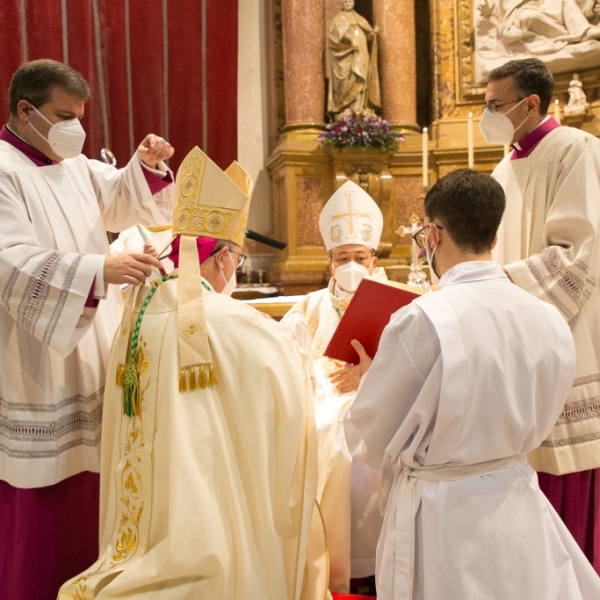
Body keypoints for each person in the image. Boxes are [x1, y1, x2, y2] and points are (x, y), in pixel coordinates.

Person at [58, 146, 319, 600]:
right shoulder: (224, 318)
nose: (232, 271)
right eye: (235, 261)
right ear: (220, 258)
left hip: (144, 515)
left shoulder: (139, 310)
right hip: (204, 521)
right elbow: (283, 374)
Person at [344, 168, 600, 599]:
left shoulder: (421, 320)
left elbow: (369, 437)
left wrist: (369, 380)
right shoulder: (547, 317)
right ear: (494, 238)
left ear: (434, 233)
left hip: (444, 521)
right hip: (517, 499)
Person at [0, 59, 174, 600]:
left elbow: (121, 198)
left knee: (97, 485)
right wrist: (101, 271)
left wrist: (144, 167)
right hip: (33, 356)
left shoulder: (70, 161)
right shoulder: (3, 170)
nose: (75, 127)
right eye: (63, 115)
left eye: (80, 116)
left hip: (89, 344)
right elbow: (8, 260)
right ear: (25, 111)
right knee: (43, 503)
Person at [480, 57, 600, 571]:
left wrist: (499, 285)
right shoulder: (501, 169)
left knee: (563, 473)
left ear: (531, 104)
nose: (488, 116)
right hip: (512, 342)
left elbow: (580, 250)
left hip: (566, 338)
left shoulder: (577, 149)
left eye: (495, 106)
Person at [282, 180, 385, 595]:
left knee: (365, 440)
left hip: (379, 400)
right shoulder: (307, 309)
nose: (351, 263)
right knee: (331, 437)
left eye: (360, 256)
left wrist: (370, 373)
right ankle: (335, 575)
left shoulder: (399, 303)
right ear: (330, 264)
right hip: (323, 403)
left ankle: (379, 566)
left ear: (374, 260)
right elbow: (285, 361)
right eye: (342, 257)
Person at [327, 0, 381, 114]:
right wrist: (350, 40)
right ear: (341, 4)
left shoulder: (360, 19)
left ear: (354, 3)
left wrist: (372, 34)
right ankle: (346, 107)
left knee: (361, 77)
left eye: (350, 1)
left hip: (361, 52)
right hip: (347, 55)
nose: (348, 3)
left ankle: (358, 105)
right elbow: (335, 37)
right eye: (345, 1)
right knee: (349, 79)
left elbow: (368, 38)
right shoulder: (338, 19)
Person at [499, 0, 600, 54]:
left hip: (544, 7)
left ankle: (584, 31)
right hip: (521, 11)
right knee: (532, 16)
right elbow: (504, 7)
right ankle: (573, 35)